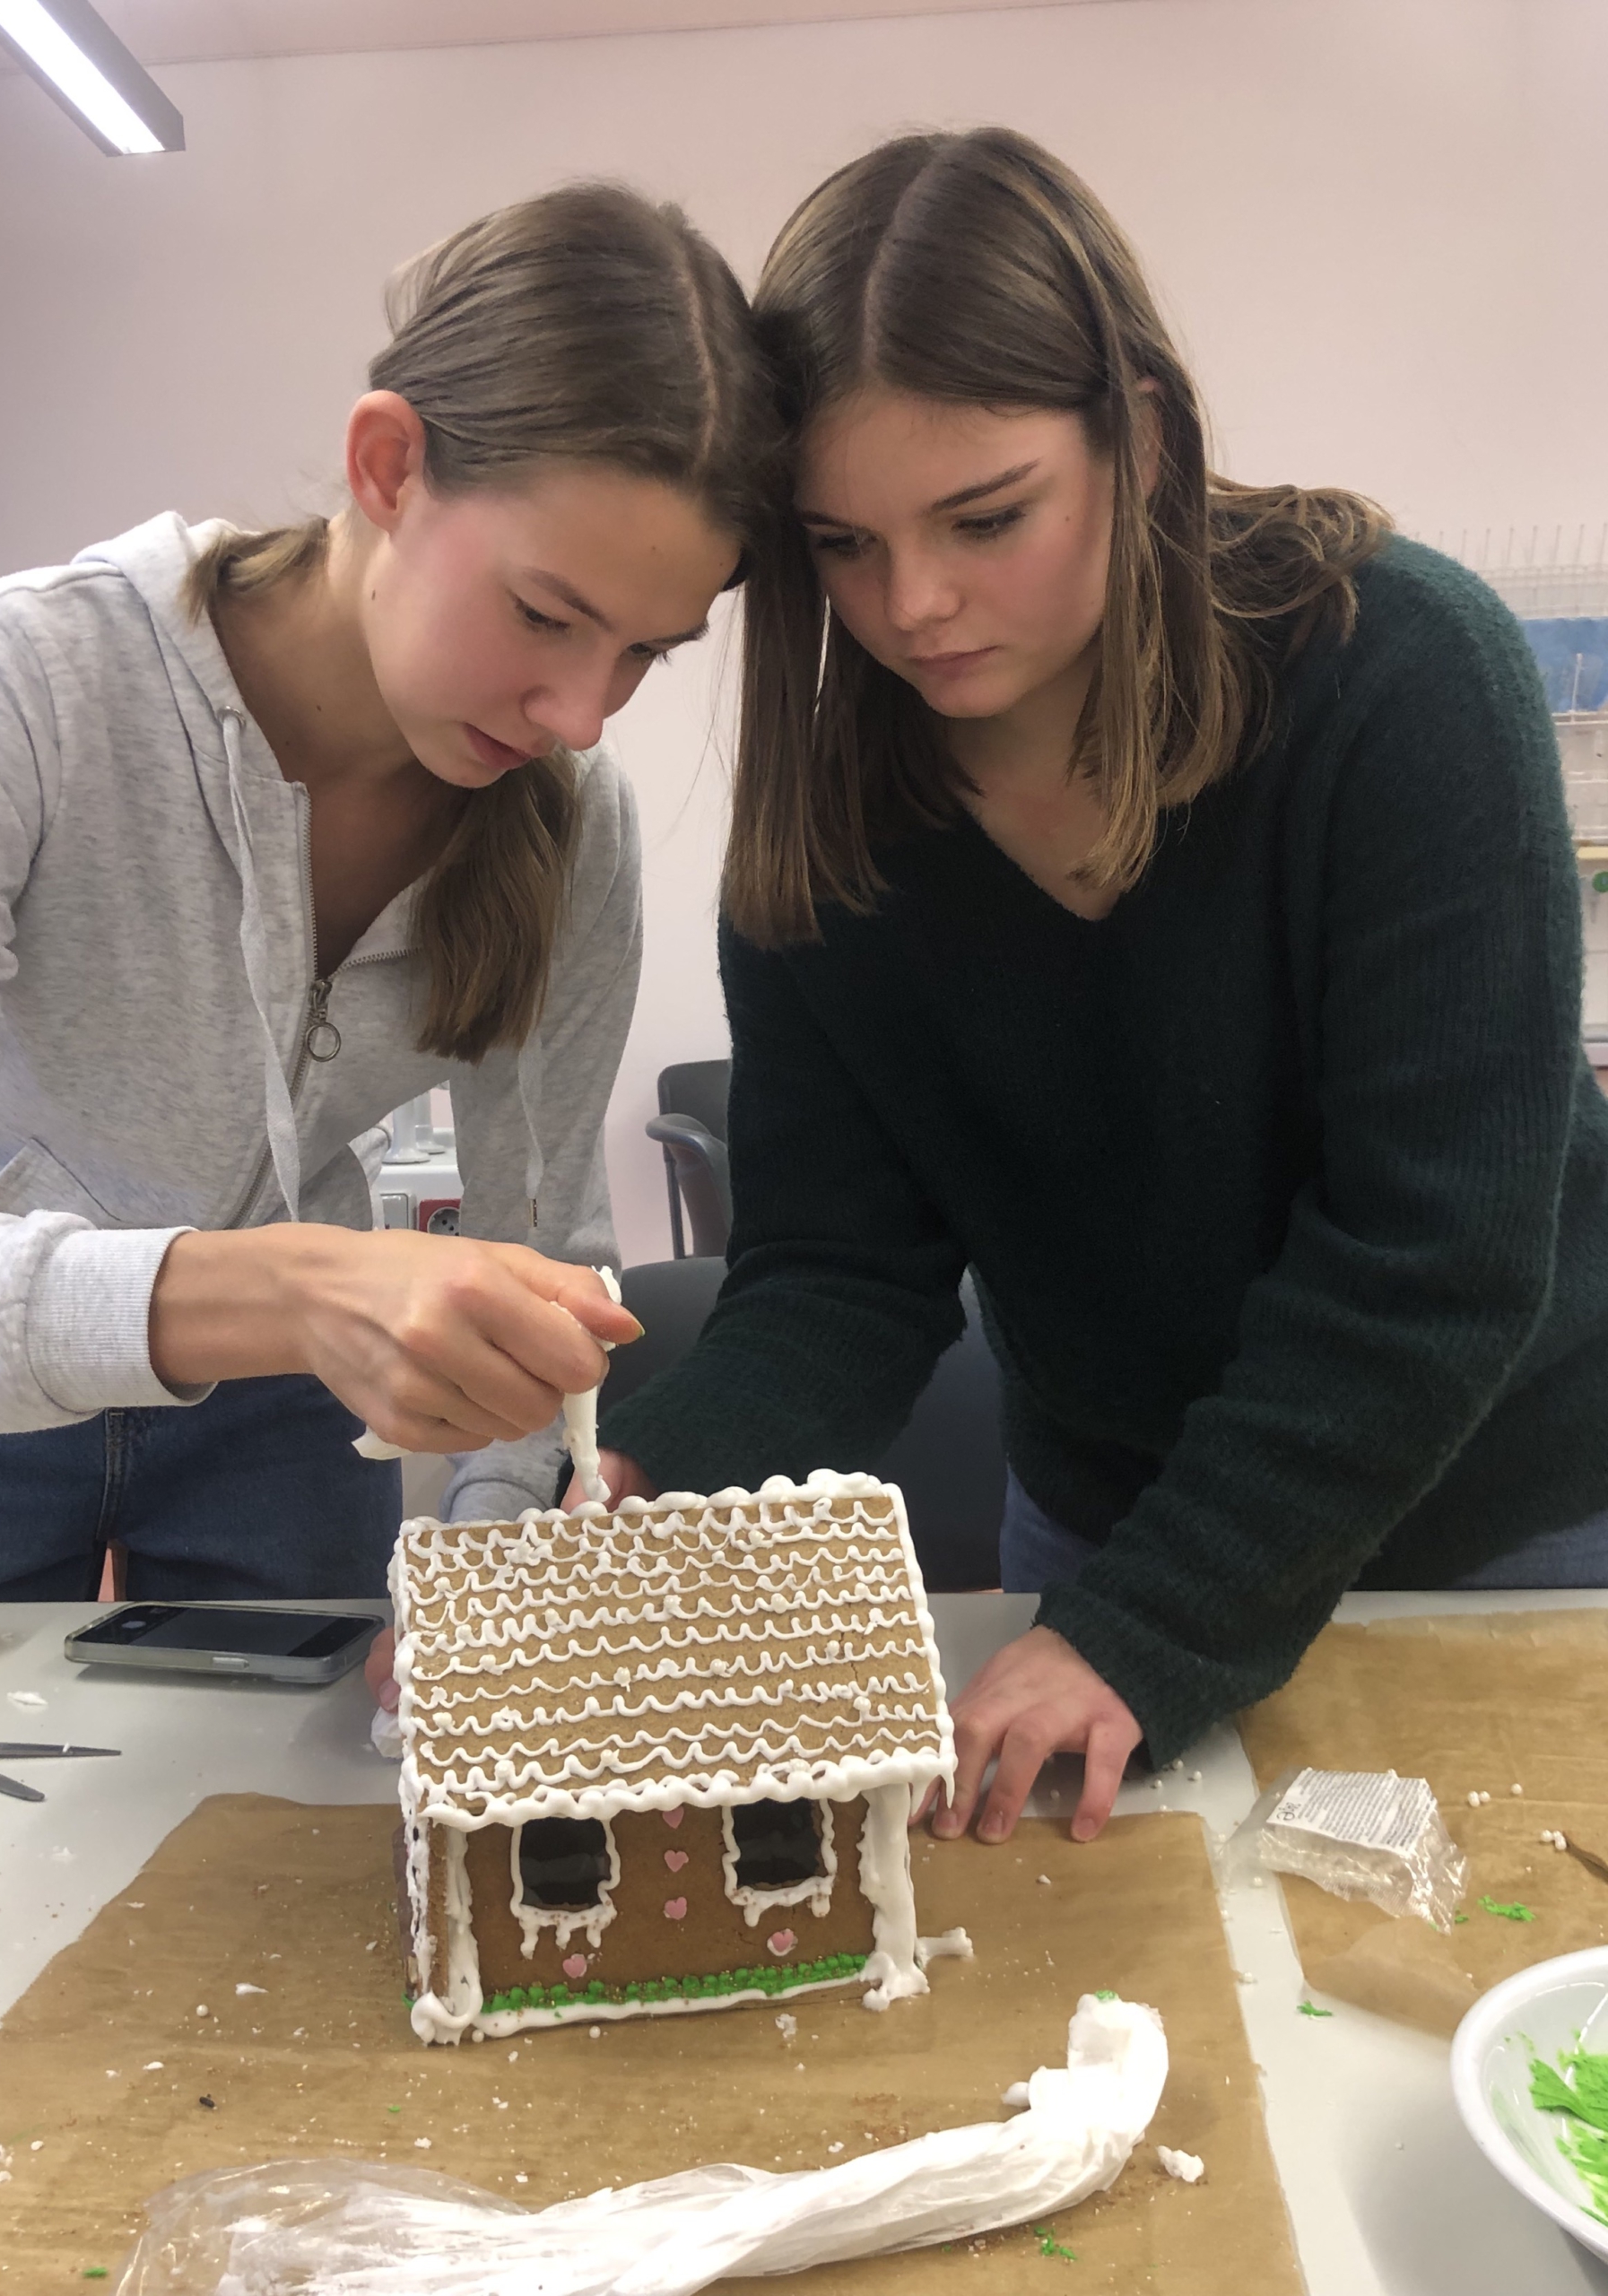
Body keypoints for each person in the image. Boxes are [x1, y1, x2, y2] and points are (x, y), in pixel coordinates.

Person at [582, 129, 1608, 1845]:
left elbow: (1435, 1258)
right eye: (840, 544)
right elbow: (840, 1270)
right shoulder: (837, 818)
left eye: (986, 518)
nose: (913, 607)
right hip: (1110, 1523)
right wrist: (654, 1486)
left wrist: (1149, 1629)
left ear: (1138, 435)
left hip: (1505, 1520)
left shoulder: (1401, 677)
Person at [0, 182, 775, 1610]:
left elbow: (545, 1266)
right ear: (388, 466)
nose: (581, 714)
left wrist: (481, 1591)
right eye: (545, 615)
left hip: (284, 1417)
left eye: (643, 653)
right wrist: (302, 1287)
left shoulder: (569, 821)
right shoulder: (22, 682)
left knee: (284, 1824)